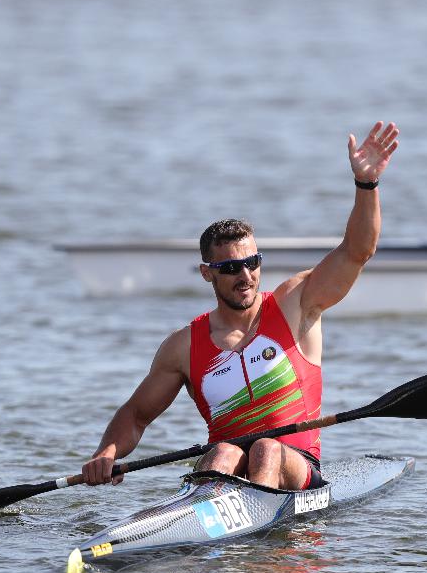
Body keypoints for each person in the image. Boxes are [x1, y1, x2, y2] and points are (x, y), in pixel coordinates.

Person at [80, 121, 400, 492]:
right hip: (226, 465)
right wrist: (107, 452)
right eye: (231, 268)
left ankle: (249, 512)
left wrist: (366, 184)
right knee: (223, 452)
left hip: (296, 468)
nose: (245, 275)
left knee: (266, 447)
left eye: (252, 263)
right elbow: (136, 415)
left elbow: (357, 251)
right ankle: (206, 509)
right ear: (207, 273)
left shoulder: (296, 304)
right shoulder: (183, 346)